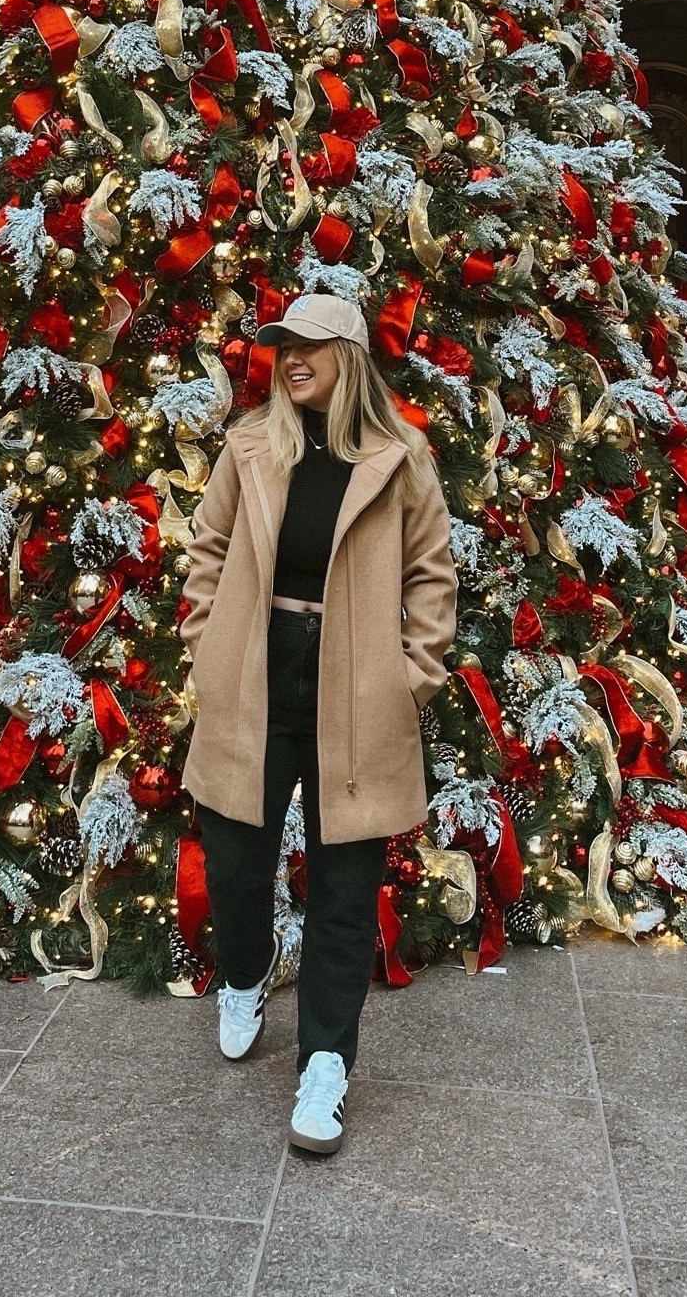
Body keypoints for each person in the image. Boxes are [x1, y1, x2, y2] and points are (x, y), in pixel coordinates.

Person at [179, 292, 458, 1155]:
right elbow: (208, 551)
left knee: (344, 887)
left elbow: (431, 578)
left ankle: (326, 1068)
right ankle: (245, 969)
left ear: (350, 357)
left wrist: (407, 678)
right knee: (233, 855)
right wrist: (207, 645)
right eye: (280, 346)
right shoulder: (252, 447)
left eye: (310, 346)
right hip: (254, 677)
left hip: (357, 687)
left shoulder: (399, 458)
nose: (290, 359)